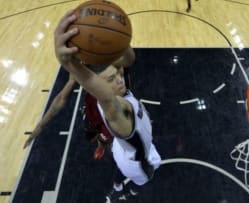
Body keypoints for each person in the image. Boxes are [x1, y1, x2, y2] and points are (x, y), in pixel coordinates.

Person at [54, 10, 161, 202]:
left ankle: (117, 186)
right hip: (136, 163)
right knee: (143, 180)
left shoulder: (119, 90)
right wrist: (68, 63)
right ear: (100, 87)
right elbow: (106, 98)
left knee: (119, 165)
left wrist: (115, 35)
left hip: (123, 149)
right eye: (112, 79)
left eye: (118, 74)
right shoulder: (114, 107)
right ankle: (129, 192)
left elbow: (127, 60)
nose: (120, 80)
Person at [23, 47, 135, 160]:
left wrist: (123, 42)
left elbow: (129, 59)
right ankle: (101, 146)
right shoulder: (80, 69)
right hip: (97, 104)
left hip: (120, 98)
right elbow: (61, 98)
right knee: (102, 135)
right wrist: (40, 125)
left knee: (125, 129)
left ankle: (130, 142)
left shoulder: (111, 59)